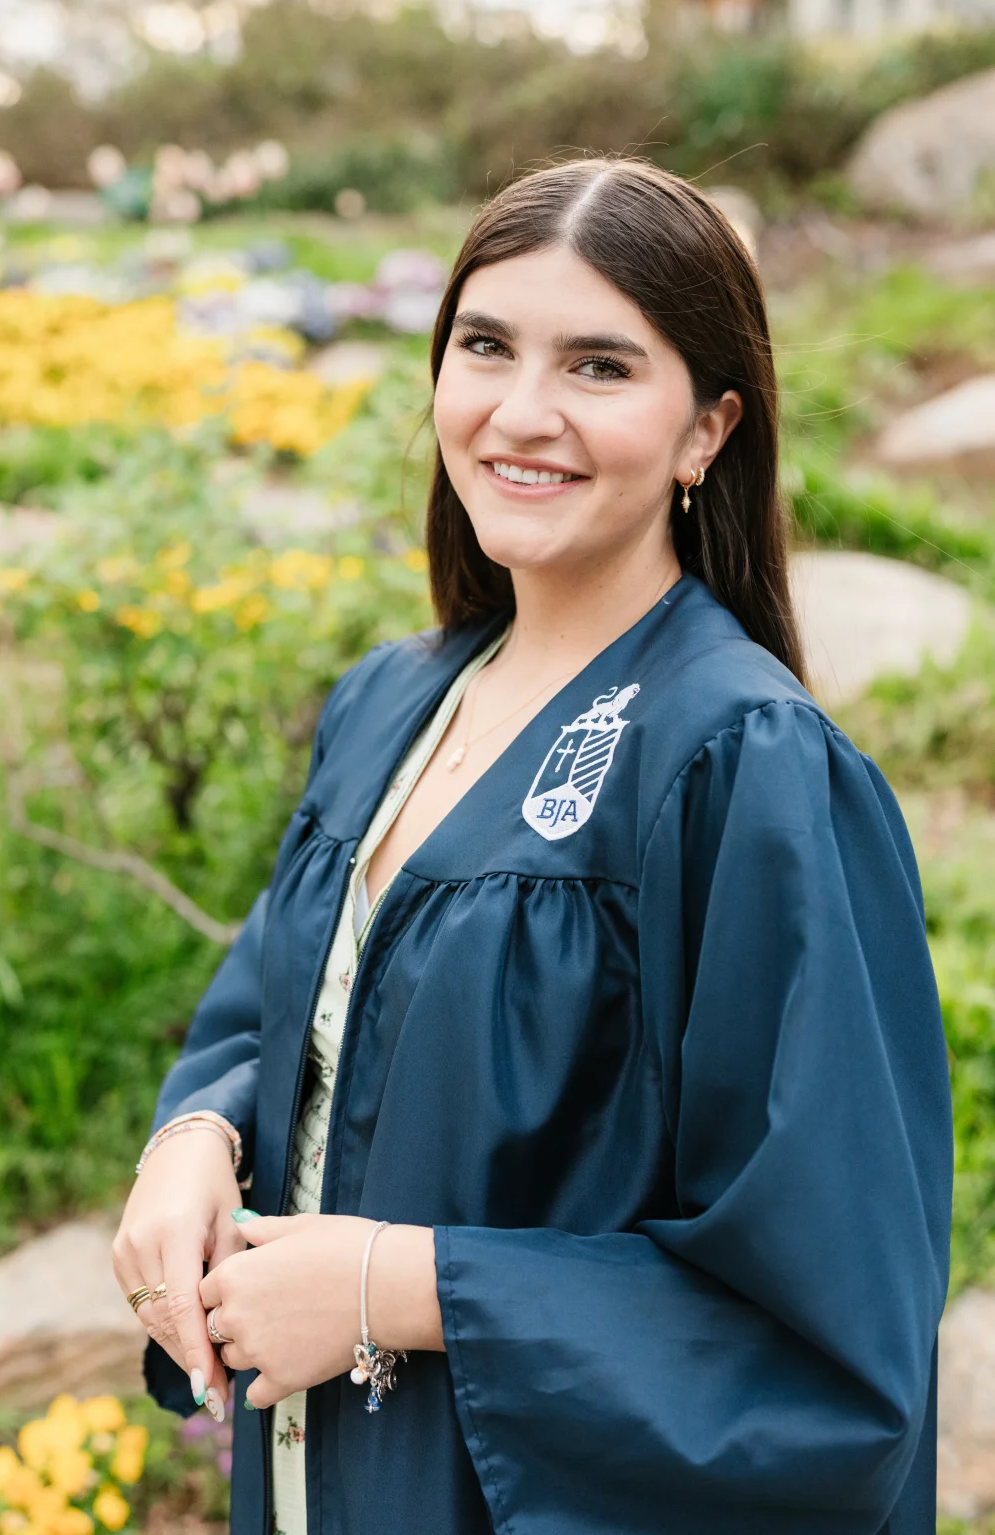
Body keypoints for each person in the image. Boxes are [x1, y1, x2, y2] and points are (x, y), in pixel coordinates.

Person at [113, 157, 953, 1535]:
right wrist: (195, 1134)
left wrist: (399, 1288)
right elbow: (291, 1006)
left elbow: (828, 1343)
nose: (520, 412)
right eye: (486, 346)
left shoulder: (742, 766)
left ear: (708, 429)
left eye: (600, 366)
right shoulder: (392, 700)